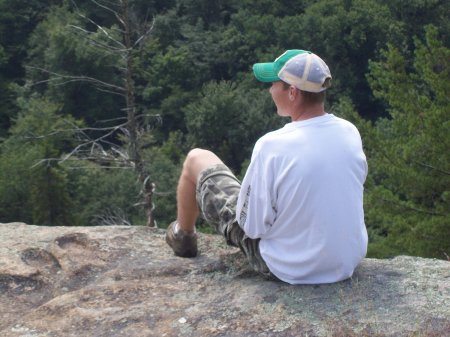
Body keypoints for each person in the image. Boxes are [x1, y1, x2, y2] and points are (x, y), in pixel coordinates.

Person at [165, 49, 368, 284]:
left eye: (273, 84)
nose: (270, 90)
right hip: (345, 262)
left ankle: (183, 237)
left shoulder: (272, 145)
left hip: (290, 267)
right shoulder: (349, 132)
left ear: (292, 92)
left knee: (196, 158)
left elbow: (251, 228)